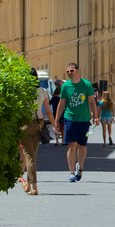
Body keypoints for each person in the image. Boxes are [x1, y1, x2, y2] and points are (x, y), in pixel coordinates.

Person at [53, 63, 98, 183]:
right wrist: (56, 120)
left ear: (77, 71)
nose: (69, 73)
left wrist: (96, 117)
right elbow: (61, 104)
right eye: (67, 71)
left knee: (82, 146)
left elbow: (92, 102)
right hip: (70, 119)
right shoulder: (65, 86)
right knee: (71, 145)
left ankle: (80, 168)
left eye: (71, 70)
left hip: (84, 120)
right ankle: (71, 172)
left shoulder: (86, 84)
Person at [19, 67, 51, 195]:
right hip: (39, 124)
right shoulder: (42, 91)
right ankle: (28, 185)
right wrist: (54, 125)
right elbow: (48, 111)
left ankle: (34, 187)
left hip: (25, 125)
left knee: (29, 156)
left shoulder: (22, 92)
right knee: (33, 156)